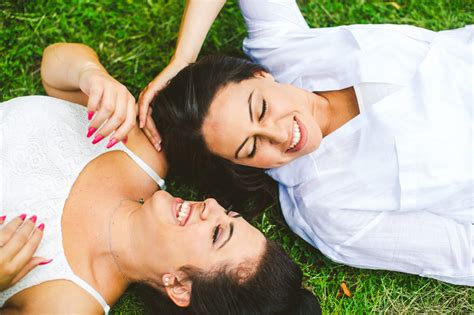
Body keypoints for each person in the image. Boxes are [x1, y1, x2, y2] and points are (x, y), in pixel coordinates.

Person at [138, 0, 474, 286]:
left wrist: (183, 60)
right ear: (241, 165)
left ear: (260, 75)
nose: (280, 135)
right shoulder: (328, 208)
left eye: (262, 109)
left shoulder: (285, 51)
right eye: (252, 147)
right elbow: (462, 254)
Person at [0, 42, 321, 314]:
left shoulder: (67, 304)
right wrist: (90, 74)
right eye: (229, 214)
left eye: (217, 234)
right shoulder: (146, 149)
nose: (211, 207)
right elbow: (54, 67)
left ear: (180, 287)